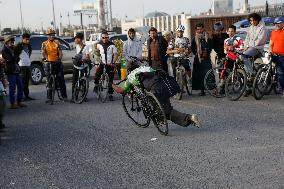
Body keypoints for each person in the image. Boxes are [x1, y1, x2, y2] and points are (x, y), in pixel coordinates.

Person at [112, 65, 202, 128]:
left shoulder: (131, 76)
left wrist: (111, 84)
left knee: (166, 111)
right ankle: (165, 118)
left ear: (129, 70)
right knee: (165, 107)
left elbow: (120, 91)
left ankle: (189, 118)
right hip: (164, 84)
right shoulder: (146, 67)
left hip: (154, 89)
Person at [42, 28, 68, 103]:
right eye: (50, 35)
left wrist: (59, 58)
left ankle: (64, 96)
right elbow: (43, 53)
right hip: (49, 63)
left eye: (53, 35)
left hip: (57, 62)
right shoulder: (44, 43)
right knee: (48, 81)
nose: (52, 36)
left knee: (61, 79)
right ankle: (49, 97)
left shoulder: (57, 42)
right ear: (47, 36)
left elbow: (60, 52)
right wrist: (45, 58)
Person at [217, 25, 244, 93]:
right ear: (227, 32)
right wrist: (226, 49)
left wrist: (234, 48)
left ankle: (245, 87)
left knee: (240, 73)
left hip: (237, 58)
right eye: (229, 31)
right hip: (229, 58)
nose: (230, 33)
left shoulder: (238, 39)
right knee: (224, 71)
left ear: (235, 32)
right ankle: (222, 87)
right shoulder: (226, 40)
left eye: (232, 31)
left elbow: (242, 48)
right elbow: (225, 51)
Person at [1, 35, 27, 109]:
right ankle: (12, 103)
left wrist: (16, 55)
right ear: (6, 42)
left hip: (17, 70)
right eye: (11, 41)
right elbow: (10, 59)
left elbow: (17, 59)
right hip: (10, 71)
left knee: (21, 86)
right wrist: (16, 56)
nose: (12, 42)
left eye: (13, 41)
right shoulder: (4, 50)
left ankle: (19, 101)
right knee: (12, 88)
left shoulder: (13, 49)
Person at [93, 30, 118, 101]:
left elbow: (116, 54)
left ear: (108, 37)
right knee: (97, 74)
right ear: (101, 38)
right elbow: (96, 53)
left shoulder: (112, 45)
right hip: (102, 63)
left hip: (110, 64)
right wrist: (97, 61)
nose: (104, 39)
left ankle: (110, 94)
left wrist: (113, 62)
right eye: (103, 37)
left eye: (106, 37)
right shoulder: (98, 44)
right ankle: (96, 85)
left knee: (110, 80)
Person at [191, 23, 212, 96]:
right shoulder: (194, 38)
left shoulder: (207, 37)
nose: (199, 30)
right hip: (198, 59)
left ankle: (210, 88)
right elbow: (192, 48)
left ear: (203, 28)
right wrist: (198, 54)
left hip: (206, 58)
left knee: (207, 73)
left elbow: (210, 46)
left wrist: (207, 52)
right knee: (199, 75)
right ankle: (201, 90)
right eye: (198, 29)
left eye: (201, 29)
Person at [71, 33, 92, 102]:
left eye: (76, 39)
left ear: (79, 39)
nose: (75, 40)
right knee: (74, 81)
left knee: (84, 81)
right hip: (76, 66)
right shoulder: (76, 46)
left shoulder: (87, 47)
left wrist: (85, 59)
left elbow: (88, 57)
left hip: (84, 66)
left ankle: (84, 95)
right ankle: (74, 96)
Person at [14, 33, 34, 101]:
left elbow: (29, 53)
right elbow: (15, 54)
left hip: (27, 65)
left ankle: (26, 95)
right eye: (26, 39)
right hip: (21, 66)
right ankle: (21, 96)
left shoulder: (29, 46)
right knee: (21, 82)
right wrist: (17, 62)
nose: (28, 41)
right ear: (23, 39)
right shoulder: (19, 45)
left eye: (29, 39)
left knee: (26, 82)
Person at [270, 16, 284, 97]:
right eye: (276, 23)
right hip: (274, 55)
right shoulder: (273, 32)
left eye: (279, 23)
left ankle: (282, 89)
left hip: (282, 56)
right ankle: (272, 86)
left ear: (283, 23)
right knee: (273, 71)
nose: (277, 25)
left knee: (281, 73)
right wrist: (270, 51)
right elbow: (271, 43)